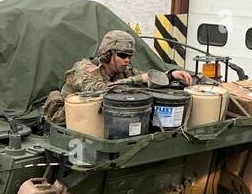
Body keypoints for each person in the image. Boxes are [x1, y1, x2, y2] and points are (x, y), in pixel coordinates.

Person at [43, 29, 193, 125]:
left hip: (99, 121)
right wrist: (140, 79)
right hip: (69, 121)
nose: (127, 60)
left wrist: (171, 74)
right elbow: (103, 90)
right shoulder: (83, 70)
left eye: (129, 56)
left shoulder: (123, 70)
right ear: (108, 54)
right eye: (122, 55)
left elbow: (145, 76)